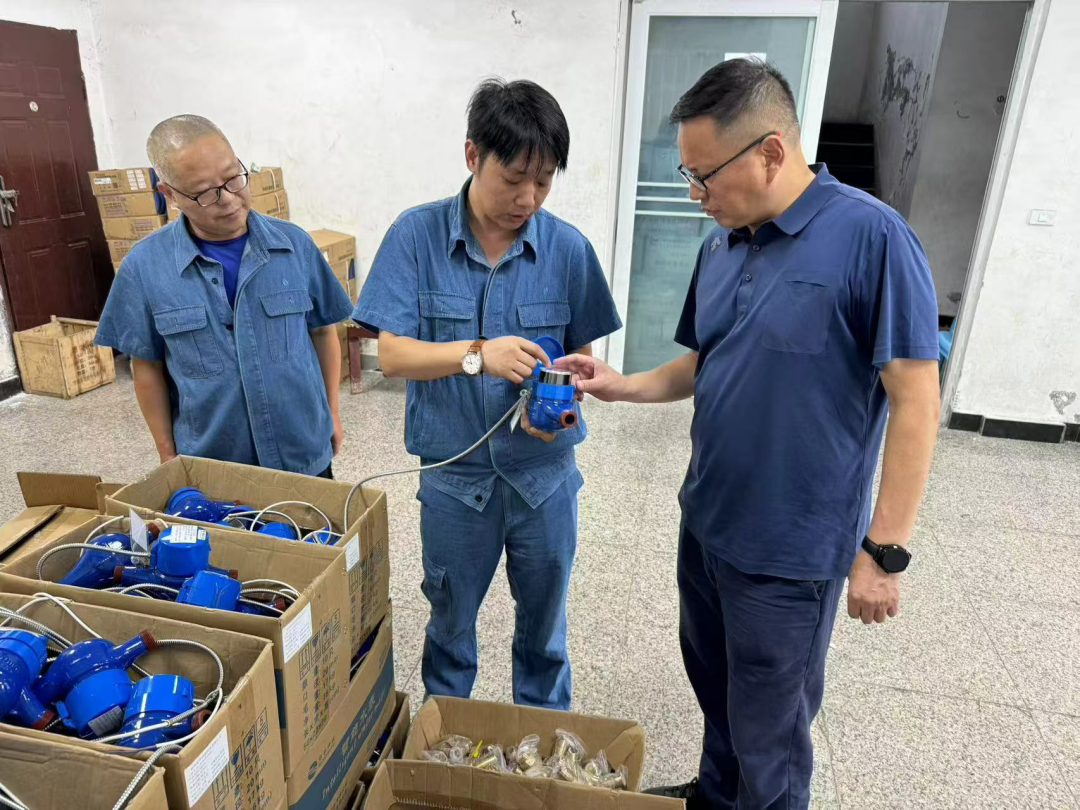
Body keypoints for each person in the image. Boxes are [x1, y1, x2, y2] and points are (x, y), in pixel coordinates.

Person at [556, 59, 940, 809]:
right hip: (708, 523)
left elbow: (916, 401)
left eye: (704, 176)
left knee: (772, 730)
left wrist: (884, 551)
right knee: (717, 689)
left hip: (789, 550)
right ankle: (716, 795)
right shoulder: (722, 244)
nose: (694, 195)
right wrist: (619, 383)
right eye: (688, 175)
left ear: (770, 152)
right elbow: (707, 360)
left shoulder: (873, 238)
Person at [353, 78, 622, 709]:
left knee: (545, 637)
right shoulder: (416, 237)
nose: (528, 198)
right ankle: (445, 748)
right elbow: (392, 355)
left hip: (544, 480)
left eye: (545, 181)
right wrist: (478, 354)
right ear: (473, 155)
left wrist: (562, 400)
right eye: (514, 178)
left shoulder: (568, 249)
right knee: (450, 631)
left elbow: (581, 363)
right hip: (455, 482)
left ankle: (542, 751)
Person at [95, 115, 353, 477]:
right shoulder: (144, 267)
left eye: (234, 178)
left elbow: (323, 332)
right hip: (213, 467)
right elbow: (146, 366)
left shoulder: (294, 246)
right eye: (205, 193)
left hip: (303, 452)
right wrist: (167, 454)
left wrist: (332, 413)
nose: (229, 199)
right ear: (169, 195)